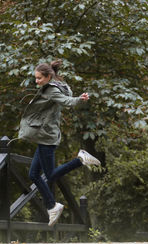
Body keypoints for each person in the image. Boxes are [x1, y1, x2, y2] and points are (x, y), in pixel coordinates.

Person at [17, 59, 101, 227]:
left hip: (47, 138)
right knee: (33, 175)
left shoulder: (52, 91)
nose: (36, 81)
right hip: (44, 136)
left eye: (39, 78)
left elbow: (66, 102)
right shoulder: (51, 86)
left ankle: (80, 160)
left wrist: (80, 99)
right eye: (36, 78)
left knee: (51, 176)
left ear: (48, 77)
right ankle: (52, 206)